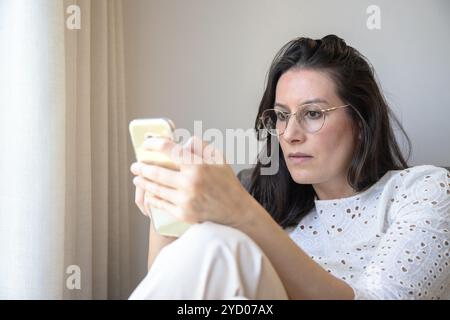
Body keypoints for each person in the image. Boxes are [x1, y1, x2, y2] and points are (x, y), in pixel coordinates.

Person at [128, 35, 450, 300]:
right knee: (208, 241)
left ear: (360, 122)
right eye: (282, 116)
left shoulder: (423, 191)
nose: (290, 134)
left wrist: (242, 213)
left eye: (312, 113)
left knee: (220, 244)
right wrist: (164, 213)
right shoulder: (272, 207)